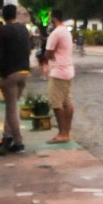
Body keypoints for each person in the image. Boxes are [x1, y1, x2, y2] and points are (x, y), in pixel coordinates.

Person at [0, 3, 34, 155]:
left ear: (3, 16)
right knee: (12, 106)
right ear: (15, 15)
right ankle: (7, 136)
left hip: (10, 73)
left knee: (11, 109)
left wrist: (1, 76)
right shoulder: (23, 28)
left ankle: (18, 142)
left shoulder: (2, 30)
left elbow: (2, 52)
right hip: (24, 71)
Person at [40, 9, 77, 143]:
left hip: (58, 71)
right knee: (67, 102)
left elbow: (48, 53)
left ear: (53, 18)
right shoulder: (66, 31)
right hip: (68, 70)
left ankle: (62, 133)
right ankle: (67, 132)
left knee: (55, 103)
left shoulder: (55, 33)